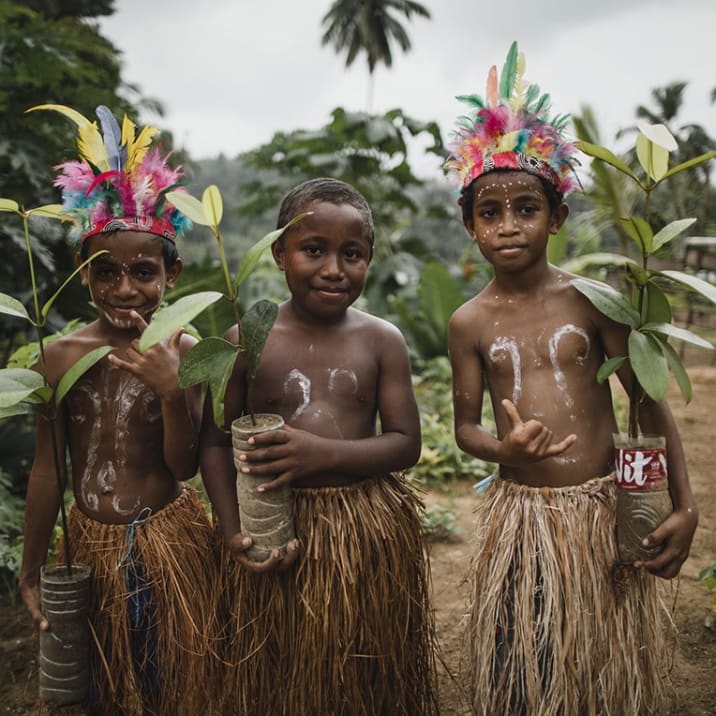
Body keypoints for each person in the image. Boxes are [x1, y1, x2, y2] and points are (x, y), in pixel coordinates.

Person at [444, 44, 698, 715]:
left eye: (525, 208)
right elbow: (466, 428)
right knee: (524, 661)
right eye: (489, 213)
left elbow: (644, 403)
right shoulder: (468, 322)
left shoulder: (592, 299)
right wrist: (502, 451)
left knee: (598, 666)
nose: (507, 225)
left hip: (600, 515)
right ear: (470, 226)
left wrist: (682, 504)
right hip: (523, 521)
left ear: (556, 217)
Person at [200, 177, 438, 715]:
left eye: (352, 254)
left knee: (361, 669)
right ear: (280, 253)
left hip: (360, 531)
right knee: (280, 674)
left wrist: (325, 454)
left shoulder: (382, 340)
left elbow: (406, 444)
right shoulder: (246, 339)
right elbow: (214, 443)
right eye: (314, 250)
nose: (334, 269)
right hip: (274, 528)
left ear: (369, 259)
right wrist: (232, 527)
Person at [19, 105, 221, 716]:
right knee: (95, 683)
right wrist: (31, 570)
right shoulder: (57, 358)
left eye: (142, 272)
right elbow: (49, 470)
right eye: (104, 273)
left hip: (164, 543)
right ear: (84, 275)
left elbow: (184, 468)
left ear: (172, 273)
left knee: (166, 682)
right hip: (89, 548)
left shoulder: (185, 352)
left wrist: (168, 389)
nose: (124, 290)